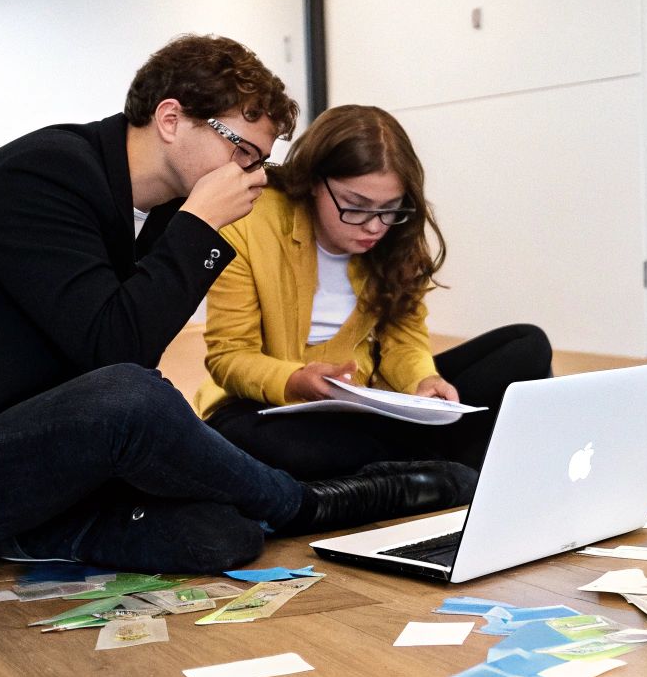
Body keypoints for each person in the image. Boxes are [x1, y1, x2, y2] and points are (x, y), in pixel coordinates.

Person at [0, 35, 474, 575]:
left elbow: (124, 348)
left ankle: (27, 541)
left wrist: (189, 225)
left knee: (225, 536)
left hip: (58, 461)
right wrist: (199, 226)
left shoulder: (163, 215)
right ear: (171, 120)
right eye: (241, 149)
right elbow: (115, 352)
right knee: (132, 396)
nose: (251, 172)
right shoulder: (39, 177)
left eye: (260, 158)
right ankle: (311, 505)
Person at [194, 104, 551, 477]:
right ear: (316, 181)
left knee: (526, 346)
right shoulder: (249, 219)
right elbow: (230, 357)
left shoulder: (397, 234)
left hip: (368, 406)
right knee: (258, 443)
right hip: (270, 407)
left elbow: (404, 340)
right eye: (356, 207)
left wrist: (423, 381)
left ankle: (412, 468)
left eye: (389, 208)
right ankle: (444, 465)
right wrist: (298, 379)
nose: (374, 226)